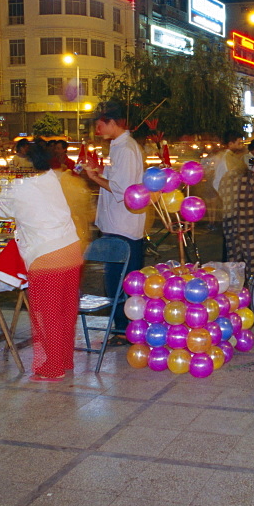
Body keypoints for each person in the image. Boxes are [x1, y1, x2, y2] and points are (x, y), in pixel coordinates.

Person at [0, 140, 83, 381]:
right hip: (71, 249)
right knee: (65, 310)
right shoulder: (51, 178)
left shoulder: (17, 187)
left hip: (46, 256)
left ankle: (53, 367)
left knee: (48, 314)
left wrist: (5, 185)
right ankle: (65, 359)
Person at [83, 101, 147, 337]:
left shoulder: (125, 149)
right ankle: (122, 328)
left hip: (123, 229)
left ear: (112, 123)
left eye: (100, 124)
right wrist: (99, 173)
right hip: (117, 226)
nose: (97, 129)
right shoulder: (119, 147)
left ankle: (124, 329)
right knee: (116, 282)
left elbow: (122, 190)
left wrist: (94, 178)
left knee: (120, 284)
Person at [219, 129, 254, 271]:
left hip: (230, 224)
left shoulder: (225, 178)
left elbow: (221, 194)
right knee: (252, 257)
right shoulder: (249, 176)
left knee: (233, 258)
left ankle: (235, 288)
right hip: (248, 224)